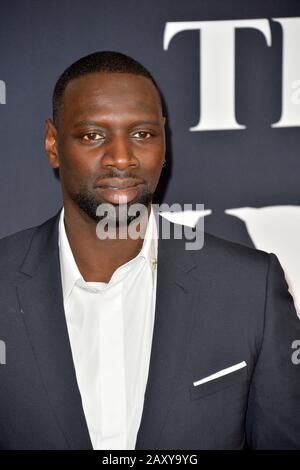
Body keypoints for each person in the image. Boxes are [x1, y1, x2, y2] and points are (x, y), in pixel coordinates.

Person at [0, 51, 299, 450]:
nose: (121, 158)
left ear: (164, 141)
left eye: (142, 134)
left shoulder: (249, 289)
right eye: (93, 135)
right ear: (53, 143)